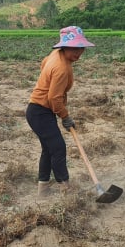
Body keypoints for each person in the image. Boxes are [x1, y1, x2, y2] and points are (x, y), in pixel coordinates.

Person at [26, 26, 95, 197]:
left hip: (37, 111)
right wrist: (65, 117)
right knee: (58, 148)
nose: (78, 53)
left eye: (81, 48)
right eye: (74, 48)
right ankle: (65, 188)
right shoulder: (62, 68)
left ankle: (43, 190)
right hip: (40, 112)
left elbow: (43, 65)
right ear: (64, 47)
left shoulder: (54, 55)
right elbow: (54, 98)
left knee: (49, 149)